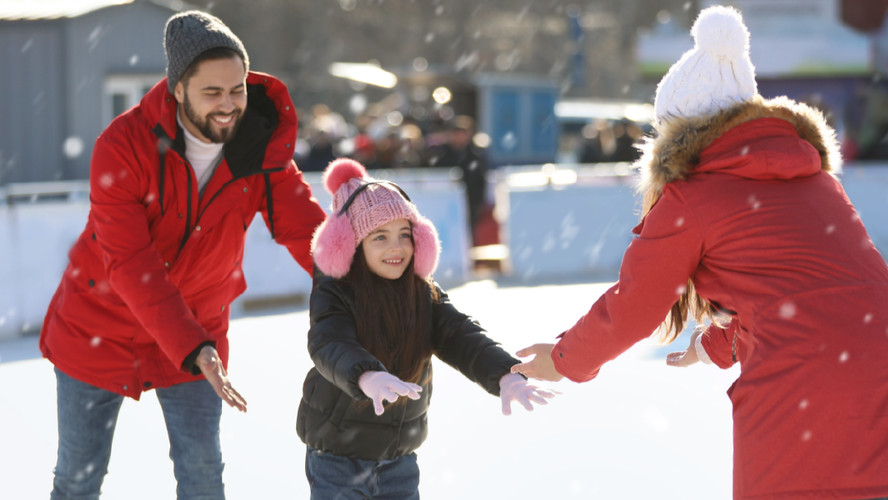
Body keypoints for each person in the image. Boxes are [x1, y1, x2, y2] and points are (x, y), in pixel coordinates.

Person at [512, 6, 888, 499]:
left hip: (801, 384)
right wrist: (717, 343)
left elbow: (634, 306)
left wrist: (562, 360)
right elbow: (820, 296)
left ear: (677, 134)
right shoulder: (815, 180)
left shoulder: (695, 195)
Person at [39, 10, 327, 499]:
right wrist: (192, 346)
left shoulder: (257, 143)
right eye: (211, 93)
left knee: (202, 473)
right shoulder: (124, 146)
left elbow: (308, 231)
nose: (228, 106)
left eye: (236, 89)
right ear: (176, 90)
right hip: (99, 327)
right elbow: (130, 262)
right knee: (78, 477)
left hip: (198, 327)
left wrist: (373, 285)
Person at [297, 158, 553, 499]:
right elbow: (328, 342)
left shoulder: (421, 292)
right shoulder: (336, 292)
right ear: (353, 245)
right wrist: (365, 375)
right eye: (380, 237)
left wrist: (504, 373)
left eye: (405, 235)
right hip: (337, 458)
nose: (396, 247)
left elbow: (461, 336)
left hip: (399, 460)